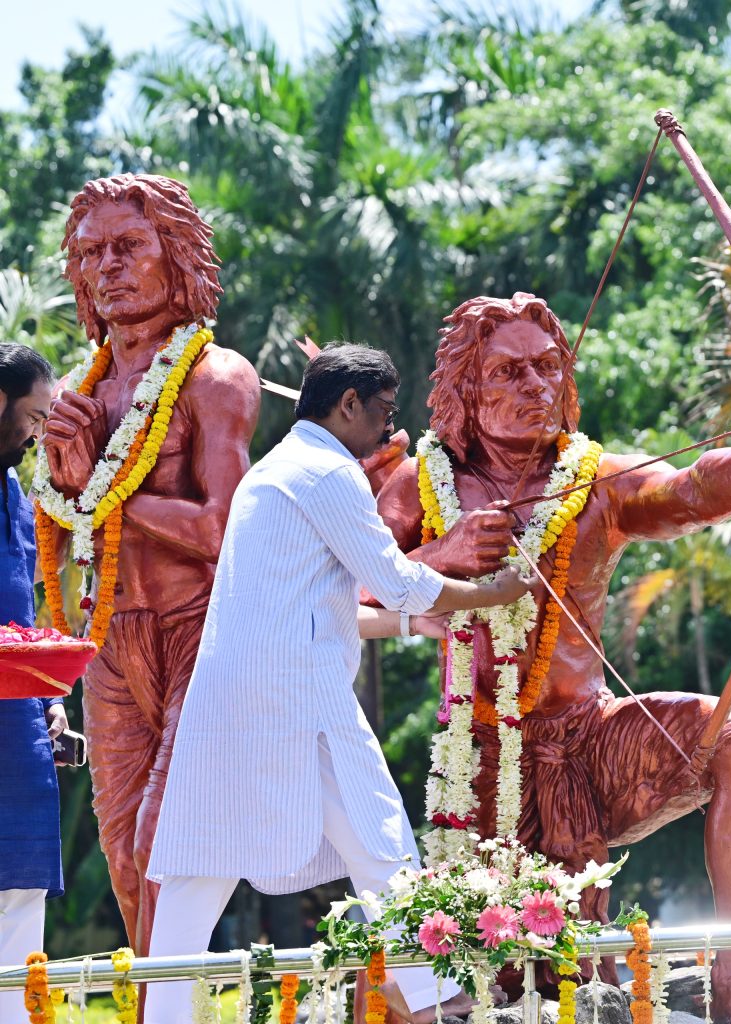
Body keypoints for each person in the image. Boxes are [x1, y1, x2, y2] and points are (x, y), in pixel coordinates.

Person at [372, 292, 731, 1023]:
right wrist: (441, 554)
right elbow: (350, 589)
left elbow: (690, 490)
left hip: (591, 745)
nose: (536, 386)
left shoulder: (593, 479)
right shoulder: (420, 485)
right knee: (501, 976)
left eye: (548, 367)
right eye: (508, 371)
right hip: (480, 767)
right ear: (467, 388)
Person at [146, 343, 534, 1024]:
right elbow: (396, 581)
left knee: (200, 865)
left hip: (237, 697)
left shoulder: (277, 469)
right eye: (384, 411)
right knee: (381, 837)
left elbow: (328, 605)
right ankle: (432, 996)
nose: (390, 429)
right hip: (298, 696)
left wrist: (415, 624)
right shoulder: (327, 472)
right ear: (348, 404)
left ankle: (163, 1014)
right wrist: (490, 594)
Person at [37, 174, 261, 956]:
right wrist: (70, 480)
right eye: (92, 252)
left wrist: (101, 487)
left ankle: (165, 1002)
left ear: (177, 254)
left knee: (163, 844)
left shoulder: (215, 376)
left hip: (195, 630)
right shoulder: (77, 391)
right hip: (109, 640)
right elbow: (59, 528)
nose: (109, 266)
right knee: (125, 861)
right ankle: (160, 1004)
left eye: (129, 246)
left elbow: (222, 528)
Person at [0, 343, 66, 1018]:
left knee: (20, 900)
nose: (38, 435)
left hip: (17, 734)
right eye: (35, 417)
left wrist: (49, 696)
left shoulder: (15, 493)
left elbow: (22, 618)